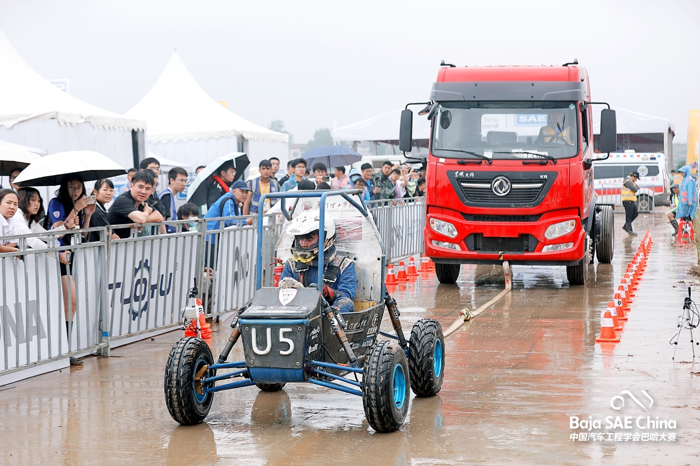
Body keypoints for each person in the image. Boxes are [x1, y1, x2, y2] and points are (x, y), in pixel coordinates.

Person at [279, 210, 356, 314]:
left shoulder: (344, 265)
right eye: (300, 238)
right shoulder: (292, 264)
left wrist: (330, 293)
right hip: (297, 313)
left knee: (347, 303)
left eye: (309, 238)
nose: (303, 244)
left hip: (327, 316)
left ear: (326, 239)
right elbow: (280, 297)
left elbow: (347, 295)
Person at [108, 170, 164, 239]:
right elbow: (141, 219)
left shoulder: (143, 201)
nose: (143, 191)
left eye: (147, 188)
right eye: (140, 187)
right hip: (111, 244)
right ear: (131, 186)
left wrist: (141, 219)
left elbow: (159, 217)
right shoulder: (123, 200)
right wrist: (146, 212)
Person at [159, 167, 189, 233]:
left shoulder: (170, 195)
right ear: (172, 180)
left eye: (185, 181)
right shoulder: (167, 196)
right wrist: (165, 238)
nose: (184, 184)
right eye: (181, 180)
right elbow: (161, 221)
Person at [621, 171, 640, 236]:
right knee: (629, 216)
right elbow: (635, 188)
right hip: (627, 200)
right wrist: (636, 188)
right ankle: (629, 230)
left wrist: (636, 187)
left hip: (631, 201)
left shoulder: (631, 182)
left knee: (635, 214)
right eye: (636, 178)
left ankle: (625, 226)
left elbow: (636, 187)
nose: (636, 180)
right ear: (633, 176)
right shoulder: (628, 182)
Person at [0, 189, 19, 253]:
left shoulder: (11, 219)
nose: (12, 207)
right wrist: (16, 250)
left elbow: (14, 242)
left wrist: (3, 248)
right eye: (8, 203)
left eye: (15, 204)